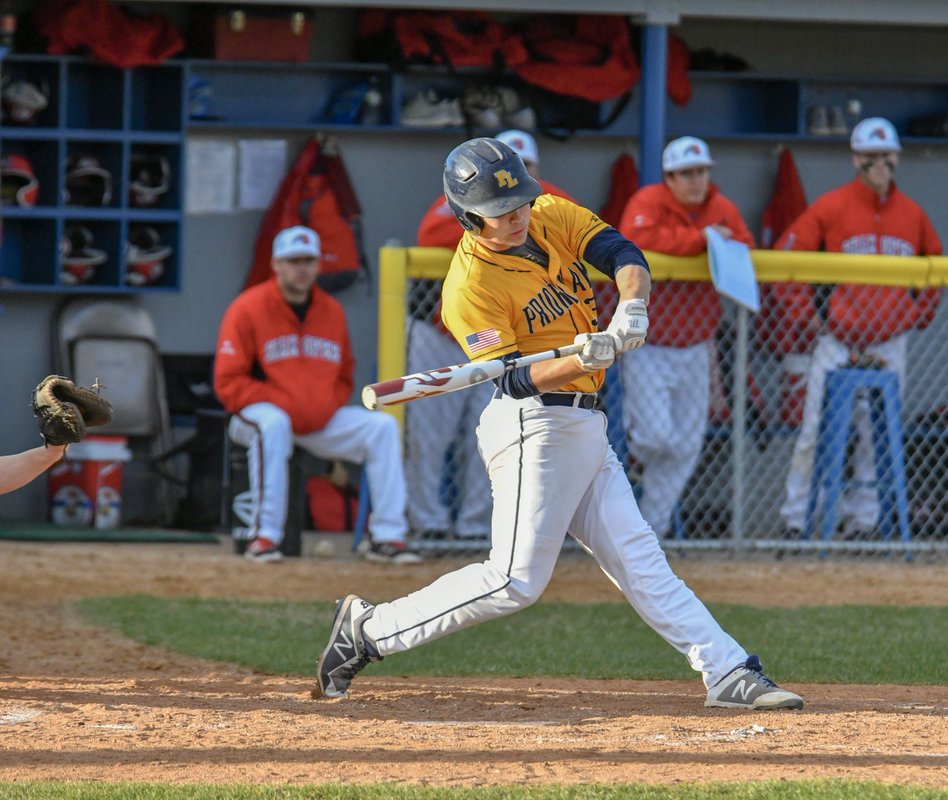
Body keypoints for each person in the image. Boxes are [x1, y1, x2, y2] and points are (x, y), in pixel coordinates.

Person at [314, 137, 803, 711]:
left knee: (641, 560)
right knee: (514, 581)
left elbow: (622, 253)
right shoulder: (468, 287)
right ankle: (367, 632)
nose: (517, 216)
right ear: (469, 216)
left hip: (587, 427)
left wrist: (631, 307)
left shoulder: (547, 212)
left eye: (519, 201)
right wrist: (583, 359)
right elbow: (515, 379)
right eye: (501, 212)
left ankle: (727, 671)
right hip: (533, 430)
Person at [774, 117, 942, 536]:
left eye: (886, 155)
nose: (879, 163)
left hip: (890, 343)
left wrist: (916, 314)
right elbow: (782, 261)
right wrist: (808, 318)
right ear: (855, 159)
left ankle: (863, 520)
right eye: (870, 156)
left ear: (897, 157)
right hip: (837, 340)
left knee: (876, 436)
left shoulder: (913, 214)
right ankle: (796, 520)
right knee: (814, 432)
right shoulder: (832, 207)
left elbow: (936, 269)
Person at [214, 226, 417, 565]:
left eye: (308, 260)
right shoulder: (247, 308)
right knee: (274, 425)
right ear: (276, 264)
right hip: (255, 416)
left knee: (381, 427)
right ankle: (263, 537)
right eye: (293, 261)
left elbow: (344, 375)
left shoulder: (331, 311)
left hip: (315, 421)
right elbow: (229, 383)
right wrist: (287, 402)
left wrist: (320, 406)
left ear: (318, 265)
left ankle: (388, 537)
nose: (302, 268)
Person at [409, 130, 575, 540]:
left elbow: (577, 232)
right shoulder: (466, 198)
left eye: (522, 168)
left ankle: (473, 528)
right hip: (442, 336)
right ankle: (426, 523)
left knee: (487, 439)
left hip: (507, 341)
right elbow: (430, 234)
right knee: (429, 437)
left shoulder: (546, 197)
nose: (508, 182)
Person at [617, 136, 754, 537]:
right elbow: (637, 240)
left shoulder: (721, 206)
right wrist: (702, 241)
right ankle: (636, 451)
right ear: (670, 178)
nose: (696, 181)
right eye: (687, 174)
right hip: (649, 343)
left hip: (697, 344)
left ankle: (648, 535)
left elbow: (743, 243)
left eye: (701, 172)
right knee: (657, 437)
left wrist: (711, 238)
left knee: (685, 447)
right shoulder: (648, 200)